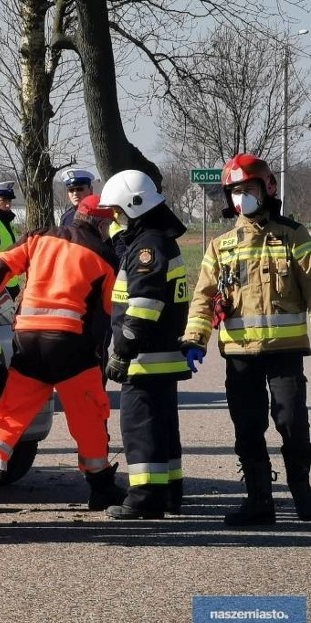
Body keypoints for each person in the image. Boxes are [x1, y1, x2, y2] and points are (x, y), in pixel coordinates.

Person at [181, 153, 311, 525]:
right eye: (236, 192)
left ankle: (304, 497)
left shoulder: (293, 235)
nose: (242, 198)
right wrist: (194, 337)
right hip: (240, 355)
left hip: (285, 352)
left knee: (292, 424)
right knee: (248, 428)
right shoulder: (221, 247)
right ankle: (259, 502)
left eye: (249, 189)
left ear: (267, 188)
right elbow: (204, 298)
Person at [0, 191, 126, 511]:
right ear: (100, 224)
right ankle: (100, 486)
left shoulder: (39, 237)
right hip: (71, 347)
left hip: (27, 340)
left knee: (11, 411)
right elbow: (109, 313)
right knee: (88, 413)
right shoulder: (104, 255)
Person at [100, 170, 191, 520]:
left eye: (117, 211)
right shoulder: (157, 240)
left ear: (133, 206)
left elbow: (143, 307)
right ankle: (168, 493)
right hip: (161, 356)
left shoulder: (148, 247)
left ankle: (145, 497)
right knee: (163, 427)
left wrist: (122, 353)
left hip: (144, 357)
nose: (115, 218)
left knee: (140, 427)